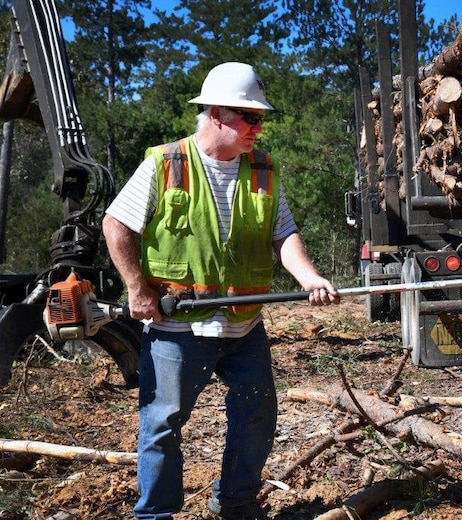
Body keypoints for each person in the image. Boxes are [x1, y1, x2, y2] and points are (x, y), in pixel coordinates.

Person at [102, 61, 340, 520]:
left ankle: (235, 502)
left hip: (244, 323)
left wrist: (308, 277)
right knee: (162, 425)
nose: (259, 127)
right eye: (250, 117)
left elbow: (283, 234)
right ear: (216, 114)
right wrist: (137, 288)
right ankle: (155, 515)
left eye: (260, 118)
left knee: (256, 416)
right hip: (177, 324)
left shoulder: (263, 170)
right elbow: (116, 225)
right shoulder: (167, 163)